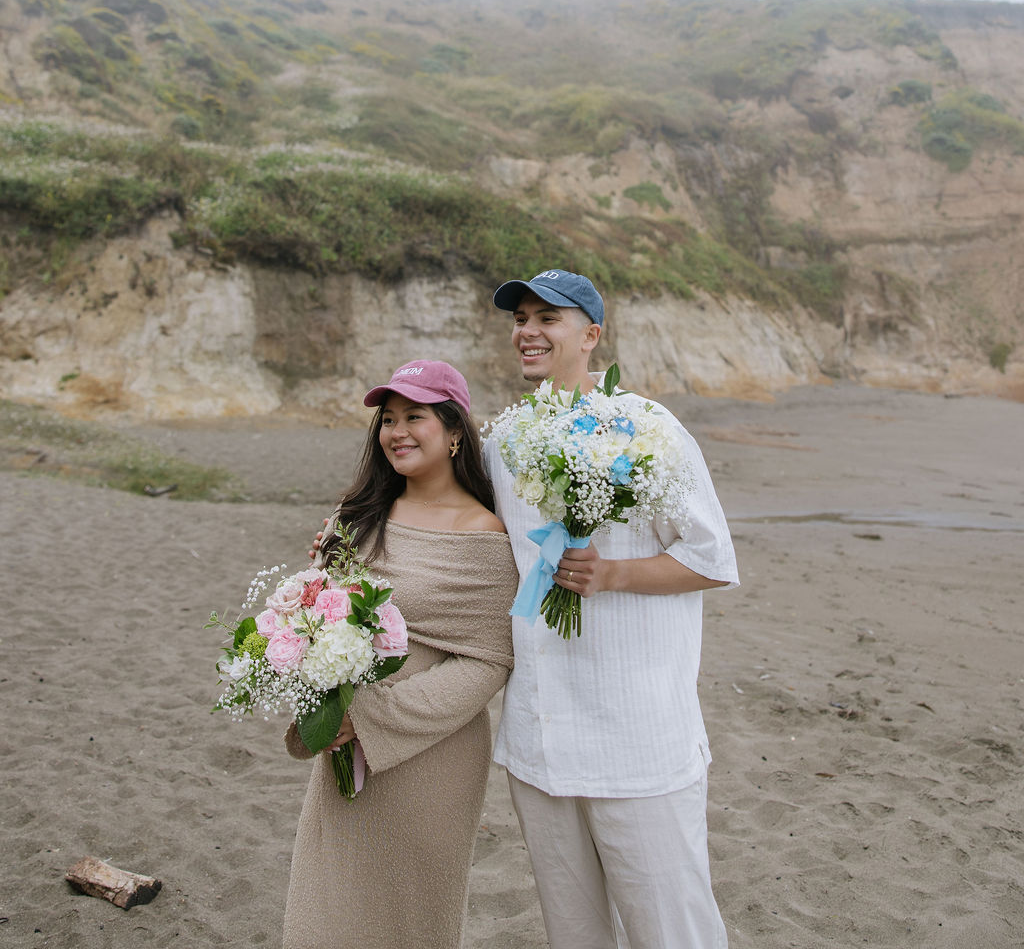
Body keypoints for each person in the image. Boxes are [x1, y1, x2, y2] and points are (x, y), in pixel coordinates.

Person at [484, 269, 739, 949]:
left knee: (672, 929)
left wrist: (613, 571)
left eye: (548, 318)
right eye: (520, 319)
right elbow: (471, 537)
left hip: (637, 736)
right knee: (574, 933)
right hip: (539, 731)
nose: (528, 332)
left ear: (591, 335)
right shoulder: (505, 439)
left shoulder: (648, 427)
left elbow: (712, 559)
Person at [283, 360, 518, 949]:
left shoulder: (486, 534)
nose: (397, 431)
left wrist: (366, 719)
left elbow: (489, 661)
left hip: (427, 755)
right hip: (343, 746)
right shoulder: (358, 514)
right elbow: (319, 613)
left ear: (455, 430)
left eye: (416, 416)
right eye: (388, 419)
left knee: (409, 916)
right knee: (327, 907)